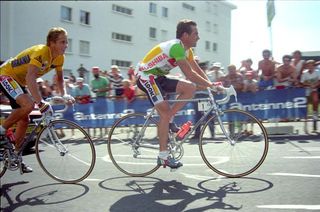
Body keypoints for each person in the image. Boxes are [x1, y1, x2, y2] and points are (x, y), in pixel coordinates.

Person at [135, 19, 225, 169]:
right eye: (195, 33)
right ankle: (163, 156)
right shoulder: (176, 47)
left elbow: (197, 70)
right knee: (164, 113)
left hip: (158, 77)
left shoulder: (187, 50)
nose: (198, 37)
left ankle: (169, 119)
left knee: (189, 88)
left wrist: (210, 83)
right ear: (185, 35)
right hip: (146, 77)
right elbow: (189, 73)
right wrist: (210, 85)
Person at [0, 27, 75, 172]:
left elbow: (60, 79)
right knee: (28, 105)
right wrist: (40, 103)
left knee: (24, 119)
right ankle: (2, 129)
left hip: (19, 82)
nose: (66, 45)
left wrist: (64, 94)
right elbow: (31, 77)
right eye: (62, 42)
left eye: (66, 42)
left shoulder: (60, 57)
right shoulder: (42, 52)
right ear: (51, 43)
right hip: (6, 75)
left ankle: (15, 157)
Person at [300, 60, 320, 129]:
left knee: (315, 98)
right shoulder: (304, 73)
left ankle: (315, 113)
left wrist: (314, 85)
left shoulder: (318, 72)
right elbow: (302, 82)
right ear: (307, 66)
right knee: (305, 107)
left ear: (314, 66)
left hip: (314, 90)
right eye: (309, 65)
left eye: (312, 65)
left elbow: (319, 81)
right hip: (306, 91)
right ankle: (305, 125)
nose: (310, 67)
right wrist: (309, 85)